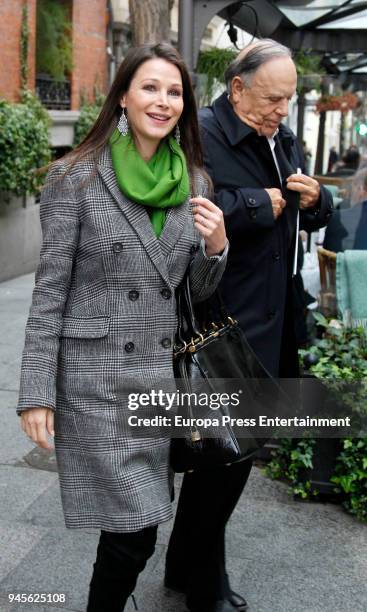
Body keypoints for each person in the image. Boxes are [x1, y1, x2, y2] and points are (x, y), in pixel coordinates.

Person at [17, 43, 228, 612]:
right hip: (97, 381)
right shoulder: (76, 178)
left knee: (137, 527)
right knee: (135, 528)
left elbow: (193, 295)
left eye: (175, 91)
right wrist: (36, 393)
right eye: (150, 88)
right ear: (124, 97)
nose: (163, 102)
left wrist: (216, 247)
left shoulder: (196, 184)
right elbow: (50, 289)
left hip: (159, 381)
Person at [165, 39, 333, 612]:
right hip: (223, 319)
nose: (281, 111)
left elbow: (300, 198)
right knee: (225, 458)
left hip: (274, 313)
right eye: (272, 99)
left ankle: (184, 566)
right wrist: (258, 205)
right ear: (237, 87)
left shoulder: (278, 134)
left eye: (287, 100)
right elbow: (183, 210)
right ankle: (203, 586)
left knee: (228, 453)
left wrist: (317, 201)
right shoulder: (203, 133)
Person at [324, 167, 367, 251]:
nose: (349, 192)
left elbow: (329, 262)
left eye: (353, 185)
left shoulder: (338, 219)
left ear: (360, 189)